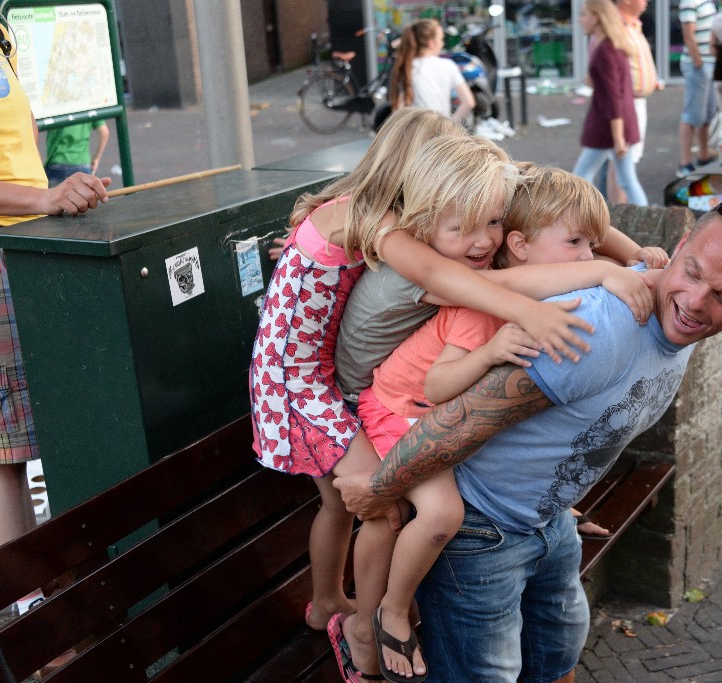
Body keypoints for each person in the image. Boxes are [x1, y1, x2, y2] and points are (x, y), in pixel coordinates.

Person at [333, 197, 722, 682]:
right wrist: (379, 488)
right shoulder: (596, 327)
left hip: (550, 524)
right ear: (678, 249)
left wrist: (562, 498)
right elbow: (456, 422)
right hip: (482, 534)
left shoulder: (672, 310)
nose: (696, 302)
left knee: (555, 664)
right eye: (693, 274)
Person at [250, 109, 608, 646]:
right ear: (418, 172)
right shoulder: (375, 224)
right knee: (378, 502)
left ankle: (330, 600)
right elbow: (447, 277)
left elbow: (538, 185)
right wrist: (567, 292)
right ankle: (361, 626)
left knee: (341, 500)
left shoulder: (378, 216)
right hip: (297, 382)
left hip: (317, 372)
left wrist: (622, 256)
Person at [351, 163, 654, 681]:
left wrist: (630, 258)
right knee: (441, 515)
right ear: (520, 243)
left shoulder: (532, 277)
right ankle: (391, 612)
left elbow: (586, 247)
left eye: (592, 246)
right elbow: (436, 389)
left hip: (441, 418)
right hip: (403, 407)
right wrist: (491, 351)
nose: (588, 257)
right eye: (577, 244)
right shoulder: (480, 302)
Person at [0, 12, 109, 567]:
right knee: (2, 447)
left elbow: (21, 138)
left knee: (21, 440)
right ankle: (24, 617)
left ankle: (37, 594)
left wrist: (55, 196)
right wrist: (42, 199)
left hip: (25, 246)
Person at [572, 0, 648, 207]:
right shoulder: (613, 46)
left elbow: (613, 96)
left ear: (597, 17)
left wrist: (617, 137)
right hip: (618, 124)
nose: (580, 20)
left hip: (610, 127)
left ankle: (582, 220)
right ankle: (648, 218)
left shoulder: (605, 50)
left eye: (584, 14)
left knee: (580, 178)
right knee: (626, 179)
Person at [596, 0, 660, 203]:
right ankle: (617, 217)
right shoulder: (615, 27)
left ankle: (610, 214)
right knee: (620, 163)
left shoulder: (632, 24)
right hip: (623, 104)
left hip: (632, 102)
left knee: (618, 162)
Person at [388, 18, 474, 124]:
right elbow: (469, 102)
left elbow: (398, 110)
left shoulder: (406, 66)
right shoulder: (448, 65)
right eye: (441, 40)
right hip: (441, 132)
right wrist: (451, 124)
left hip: (416, 133)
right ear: (431, 43)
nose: (442, 44)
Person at [677, 0, 720, 177]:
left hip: (708, 65)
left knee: (706, 115)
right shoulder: (689, 2)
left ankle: (703, 155)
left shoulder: (706, 2)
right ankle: (685, 163)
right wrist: (699, 63)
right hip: (699, 66)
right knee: (692, 115)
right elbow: (688, 35)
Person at [42, 119, 109, 186]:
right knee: (83, 195)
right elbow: (104, 132)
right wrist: (96, 159)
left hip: (58, 160)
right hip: (83, 162)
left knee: (56, 196)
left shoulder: (52, 108)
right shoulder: (88, 108)